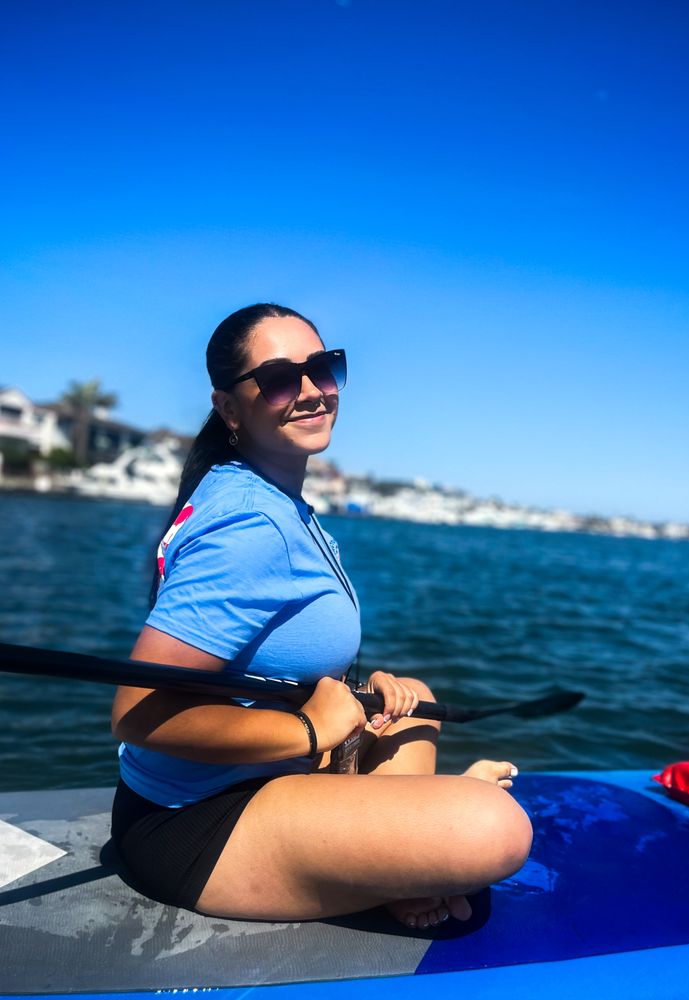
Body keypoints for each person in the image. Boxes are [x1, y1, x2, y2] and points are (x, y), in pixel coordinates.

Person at [110, 303, 532, 929]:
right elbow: (138, 713)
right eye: (279, 378)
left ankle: (403, 861)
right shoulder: (250, 524)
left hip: (280, 775)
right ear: (229, 408)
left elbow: (270, 658)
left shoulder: (276, 503)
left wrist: (353, 693)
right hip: (198, 820)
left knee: (413, 699)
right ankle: (420, 852)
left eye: (324, 368)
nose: (311, 391)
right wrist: (311, 730)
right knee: (494, 829)